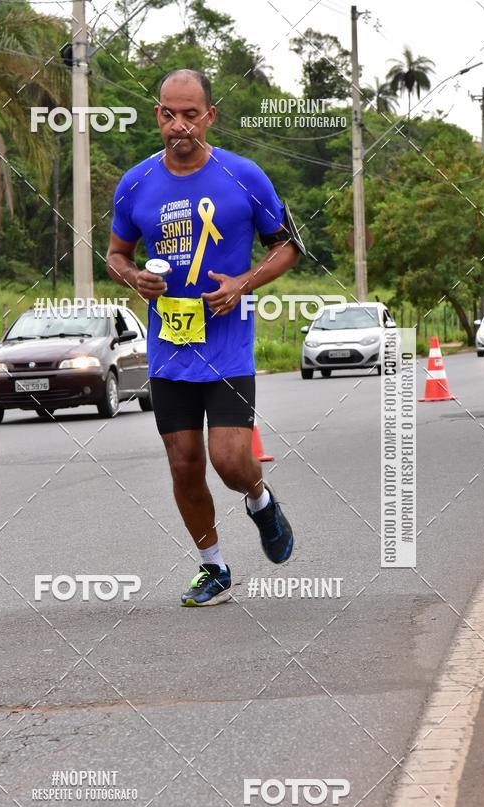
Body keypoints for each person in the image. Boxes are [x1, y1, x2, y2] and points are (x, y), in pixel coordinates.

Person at [106, 68, 303, 607]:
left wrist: (242, 282)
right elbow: (116, 253)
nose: (180, 125)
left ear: (210, 116)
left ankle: (260, 501)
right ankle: (213, 566)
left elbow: (287, 246)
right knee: (184, 462)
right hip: (170, 346)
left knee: (230, 460)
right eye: (169, 114)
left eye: (191, 114)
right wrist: (133, 277)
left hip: (228, 343)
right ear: (158, 116)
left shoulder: (244, 177)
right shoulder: (136, 183)